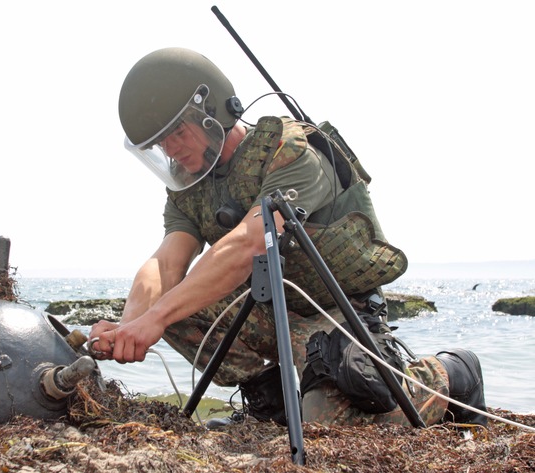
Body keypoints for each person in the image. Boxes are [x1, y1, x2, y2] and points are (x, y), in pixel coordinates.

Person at [89, 47, 487, 428]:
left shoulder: (289, 150)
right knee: (171, 302)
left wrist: (154, 318)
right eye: (160, 143)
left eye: (177, 132)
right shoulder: (188, 188)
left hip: (336, 311)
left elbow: (247, 243)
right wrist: (130, 324)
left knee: (338, 428)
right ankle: (274, 404)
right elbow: (165, 263)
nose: (170, 149)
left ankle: (452, 372)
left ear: (210, 113)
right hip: (269, 312)